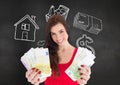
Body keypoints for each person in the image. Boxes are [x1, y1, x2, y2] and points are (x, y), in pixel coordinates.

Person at [25, 14, 94, 85]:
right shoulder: (45, 55)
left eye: (61, 31)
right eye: (53, 34)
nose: (58, 37)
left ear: (67, 31)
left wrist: (83, 80)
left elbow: (80, 80)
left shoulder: (80, 55)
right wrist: (35, 78)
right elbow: (42, 78)